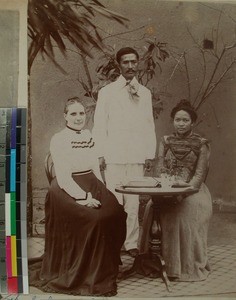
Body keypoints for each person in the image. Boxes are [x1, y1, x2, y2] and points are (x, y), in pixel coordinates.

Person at [29, 97, 127, 297]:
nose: (78, 117)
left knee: (116, 211)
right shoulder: (60, 139)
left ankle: (105, 265)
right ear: (65, 116)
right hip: (67, 188)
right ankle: (88, 271)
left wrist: (104, 190)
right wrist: (83, 197)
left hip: (91, 182)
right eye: (73, 114)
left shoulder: (89, 135)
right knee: (95, 218)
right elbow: (63, 176)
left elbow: (94, 167)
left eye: (81, 113)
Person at [93, 47, 157, 257]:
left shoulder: (145, 93)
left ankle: (131, 244)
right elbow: (100, 124)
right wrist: (100, 153)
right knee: (114, 201)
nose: (130, 66)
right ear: (119, 65)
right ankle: (113, 241)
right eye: (126, 62)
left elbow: (149, 125)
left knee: (132, 202)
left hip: (136, 155)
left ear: (138, 64)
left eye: (134, 62)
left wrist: (149, 153)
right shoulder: (107, 92)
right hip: (114, 156)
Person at [140, 99, 212, 281]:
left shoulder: (201, 144)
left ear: (192, 122)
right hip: (168, 187)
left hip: (193, 191)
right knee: (151, 207)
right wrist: (167, 189)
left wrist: (183, 193)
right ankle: (153, 261)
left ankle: (180, 266)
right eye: (177, 120)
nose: (181, 124)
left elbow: (199, 175)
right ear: (173, 121)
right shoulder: (165, 141)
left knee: (181, 214)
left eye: (185, 120)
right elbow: (160, 169)